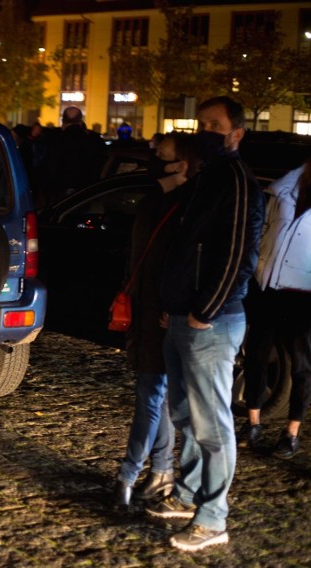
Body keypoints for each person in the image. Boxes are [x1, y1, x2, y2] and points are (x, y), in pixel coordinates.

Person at [146, 96, 265, 552]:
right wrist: (173, 303)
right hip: (184, 315)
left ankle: (213, 518)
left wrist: (203, 310)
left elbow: (237, 254)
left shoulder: (235, 180)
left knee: (212, 427)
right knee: (183, 413)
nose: (206, 131)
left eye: (215, 125)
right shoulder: (208, 177)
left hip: (210, 323)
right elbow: (186, 246)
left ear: (237, 133)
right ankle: (190, 493)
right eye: (202, 124)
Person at [113, 133, 198, 510]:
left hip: (165, 314)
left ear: (181, 164)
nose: (152, 157)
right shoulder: (153, 203)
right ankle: (160, 470)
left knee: (153, 396)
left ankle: (130, 474)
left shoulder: (187, 208)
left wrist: (174, 306)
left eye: (160, 153)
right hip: (145, 311)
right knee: (154, 395)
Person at [237, 154, 311, 459]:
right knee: (255, 356)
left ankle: (291, 432)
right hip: (267, 288)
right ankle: (253, 423)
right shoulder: (281, 191)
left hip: (305, 294)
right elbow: (262, 233)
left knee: (303, 366)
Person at [39, 106, 106, 206]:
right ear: (80, 121)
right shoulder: (95, 140)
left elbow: (47, 167)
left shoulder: (53, 139)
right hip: (88, 192)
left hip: (58, 193)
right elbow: (101, 164)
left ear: (63, 121)